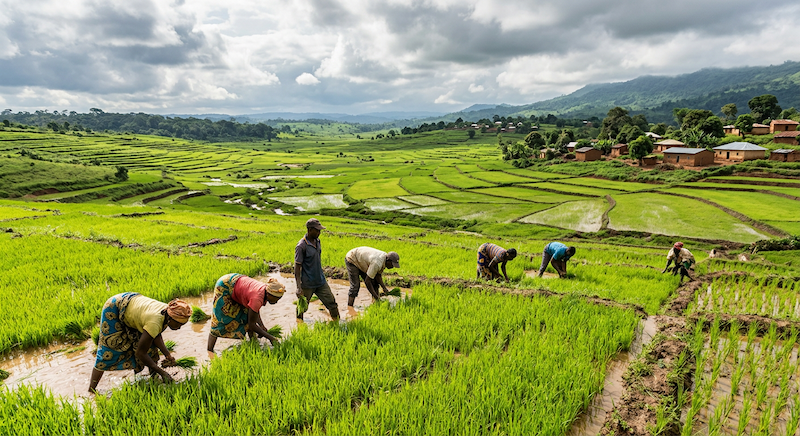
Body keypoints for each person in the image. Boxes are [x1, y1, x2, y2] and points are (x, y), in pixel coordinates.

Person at [89, 294, 191, 393]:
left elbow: (156, 335)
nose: (179, 327)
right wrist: (163, 372)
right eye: (179, 324)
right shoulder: (155, 321)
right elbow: (140, 353)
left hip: (134, 307)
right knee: (108, 351)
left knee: (150, 347)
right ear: (170, 319)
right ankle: (91, 390)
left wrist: (167, 355)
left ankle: (153, 379)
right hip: (115, 307)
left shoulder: (167, 312)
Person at [207, 274, 286, 352]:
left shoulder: (265, 290)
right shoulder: (257, 297)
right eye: (275, 299)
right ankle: (210, 351)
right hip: (225, 286)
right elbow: (252, 325)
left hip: (238, 284)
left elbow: (254, 311)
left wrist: (261, 326)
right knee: (218, 321)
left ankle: (254, 344)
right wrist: (271, 338)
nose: (276, 302)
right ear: (268, 294)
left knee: (246, 316)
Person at [294, 218, 339, 320]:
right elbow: (297, 267)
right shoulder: (301, 246)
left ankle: (337, 323)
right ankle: (299, 325)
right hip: (307, 284)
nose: (319, 232)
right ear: (309, 230)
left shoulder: (317, 241)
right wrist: (298, 287)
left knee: (332, 304)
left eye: (320, 230)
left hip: (320, 281)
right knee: (302, 308)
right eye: (317, 230)